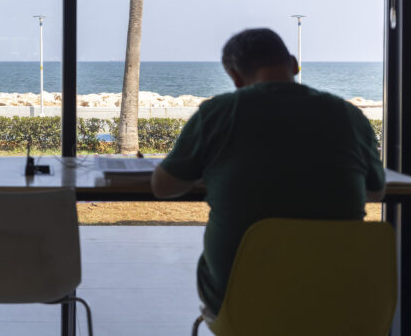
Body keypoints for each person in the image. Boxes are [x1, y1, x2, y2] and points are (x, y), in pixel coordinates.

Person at [151, 28, 385, 322]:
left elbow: (163, 187)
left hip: (244, 303)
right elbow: (376, 192)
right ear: (294, 64)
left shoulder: (220, 113)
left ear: (236, 77)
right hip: (337, 299)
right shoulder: (348, 115)